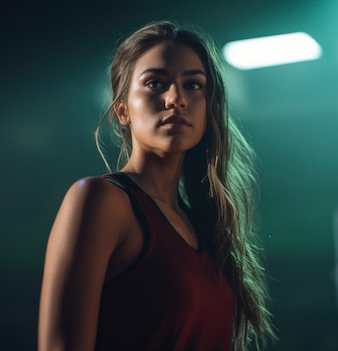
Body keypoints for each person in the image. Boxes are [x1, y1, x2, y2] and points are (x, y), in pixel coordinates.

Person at [38, 20, 275, 351]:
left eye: (193, 85)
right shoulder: (101, 200)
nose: (175, 98)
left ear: (209, 108)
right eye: (155, 83)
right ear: (122, 110)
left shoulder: (206, 226)